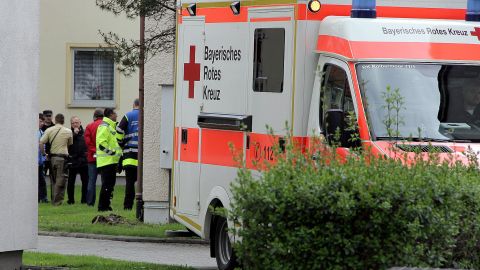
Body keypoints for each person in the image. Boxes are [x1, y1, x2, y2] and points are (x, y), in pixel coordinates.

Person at [40, 113, 73, 206]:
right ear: (63, 121)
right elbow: (70, 144)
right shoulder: (68, 131)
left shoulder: (49, 130)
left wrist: (44, 154)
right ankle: (57, 202)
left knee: (53, 179)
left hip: (52, 158)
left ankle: (53, 199)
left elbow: (41, 142)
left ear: (55, 120)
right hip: (62, 158)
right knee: (61, 180)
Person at [96, 108, 122, 211]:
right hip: (107, 161)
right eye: (115, 114)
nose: (116, 116)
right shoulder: (104, 126)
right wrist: (113, 153)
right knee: (106, 185)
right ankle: (102, 207)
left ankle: (106, 206)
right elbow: (101, 144)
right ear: (110, 115)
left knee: (110, 186)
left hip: (111, 161)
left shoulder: (110, 127)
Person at [116, 99, 139, 210]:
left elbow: (119, 130)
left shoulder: (128, 115)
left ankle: (128, 206)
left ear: (133, 105)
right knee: (143, 183)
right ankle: (142, 205)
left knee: (130, 183)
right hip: (143, 156)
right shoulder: (145, 115)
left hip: (130, 155)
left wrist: (120, 143)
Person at [67, 116, 89, 204]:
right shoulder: (69, 134)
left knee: (85, 182)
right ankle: (71, 200)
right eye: (73, 123)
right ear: (71, 124)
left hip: (83, 160)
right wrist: (74, 134)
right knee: (71, 181)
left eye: (76, 122)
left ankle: (84, 200)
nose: (75, 124)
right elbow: (68, 144)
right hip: (73, 160)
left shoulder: (85, 132)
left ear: (80, 123)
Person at [84, 109, 104, 206]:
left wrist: (94, 150)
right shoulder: (106, 126)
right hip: (104, 157)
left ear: (94, 116)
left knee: (91, 181)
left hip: (92, 157)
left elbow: (88, 143)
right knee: (105, 181)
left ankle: (90, 202)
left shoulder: (89, 126)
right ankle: (104, 201)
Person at [41, 110, 55, 180]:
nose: (49, 118)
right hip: (43, 155)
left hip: (52, 154)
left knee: (53, 177)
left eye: (50, 116)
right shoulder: (41, 128)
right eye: (47, 116)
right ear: (43, 116)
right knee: (42, 177)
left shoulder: (55, 127)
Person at [38, 113, 48, 203]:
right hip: (37, 161)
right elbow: (40, 145)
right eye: (40, 121)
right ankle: (41, 197)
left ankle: (43, 197)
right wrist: (44, 153)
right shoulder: (36, 132)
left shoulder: (41, 132)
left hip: (40, 161)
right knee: (40, 180)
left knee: (41, 180)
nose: (42, 123)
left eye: (43, 122)